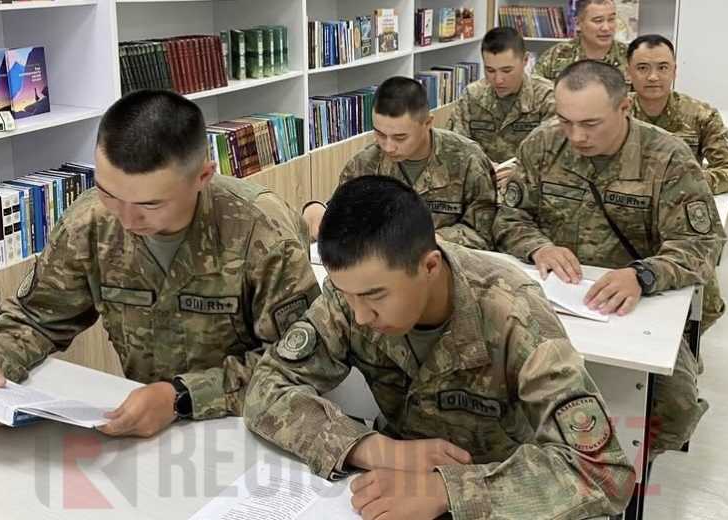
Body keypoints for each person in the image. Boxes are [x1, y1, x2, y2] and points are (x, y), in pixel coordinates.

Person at [246, 175, 634, 520]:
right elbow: (267, 387)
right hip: (393, 482)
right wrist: (376, 449)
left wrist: (447, 491)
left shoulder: (514, 315)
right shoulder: (351, 294)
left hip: (498, 492)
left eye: (375, 296)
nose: (360, 316)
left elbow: (604, 473)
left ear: (430, 267)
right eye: (347, 295)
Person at [0, 90, 320, 437]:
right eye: (108, 193)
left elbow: (304, 364)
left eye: (150, 204)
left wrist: (182, 397)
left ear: (203, 177)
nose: (126, 220)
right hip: (139, 432)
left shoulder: (262, 232)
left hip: (249, 428)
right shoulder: (90, 223)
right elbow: (34, 317)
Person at [493, 60, 726, 455]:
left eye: (590, 124)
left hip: (639, 306)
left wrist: (643, 275)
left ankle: (628, 464)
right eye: (565, 121)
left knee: (675, 409)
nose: (576, 136)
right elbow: (509, 217)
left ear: (624, 108)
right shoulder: (542, 145)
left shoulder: (667, 157)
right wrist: (538, 246)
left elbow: (701, 243)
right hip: (556, 299)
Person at [302, 76, 497, 250]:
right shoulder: (363, 165)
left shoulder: (467, 159)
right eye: (380, 134)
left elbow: (484, 234)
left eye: (400, 137)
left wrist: (435, 239)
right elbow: (342, 219)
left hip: (446, 266)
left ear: (427, 123)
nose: (388, 147)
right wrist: (317, 211)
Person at [627, 33, 728, 195]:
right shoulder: (613, 112)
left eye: (662, 68)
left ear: (674, 71)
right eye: (642, 68)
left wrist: (690, 181)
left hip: (679, 201)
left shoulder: (701, 115)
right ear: (628, 72)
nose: (653, 77)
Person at [447, 27, 555, 192]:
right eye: (490, 70)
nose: (498, 80)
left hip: (530, 189)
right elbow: (454, 145)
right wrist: (480, 166)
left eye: (507, 70)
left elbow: (557, 155)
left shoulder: (546, 97)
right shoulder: (472, 95)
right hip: (482, 185)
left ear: (525, 60)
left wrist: (522, 172)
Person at [534, 0, 628, 82]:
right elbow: (534, 88)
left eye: (611, 20)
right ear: (578, 24)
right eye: (598, 21)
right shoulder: (556, 55)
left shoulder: (628, 56)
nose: (606, 28)